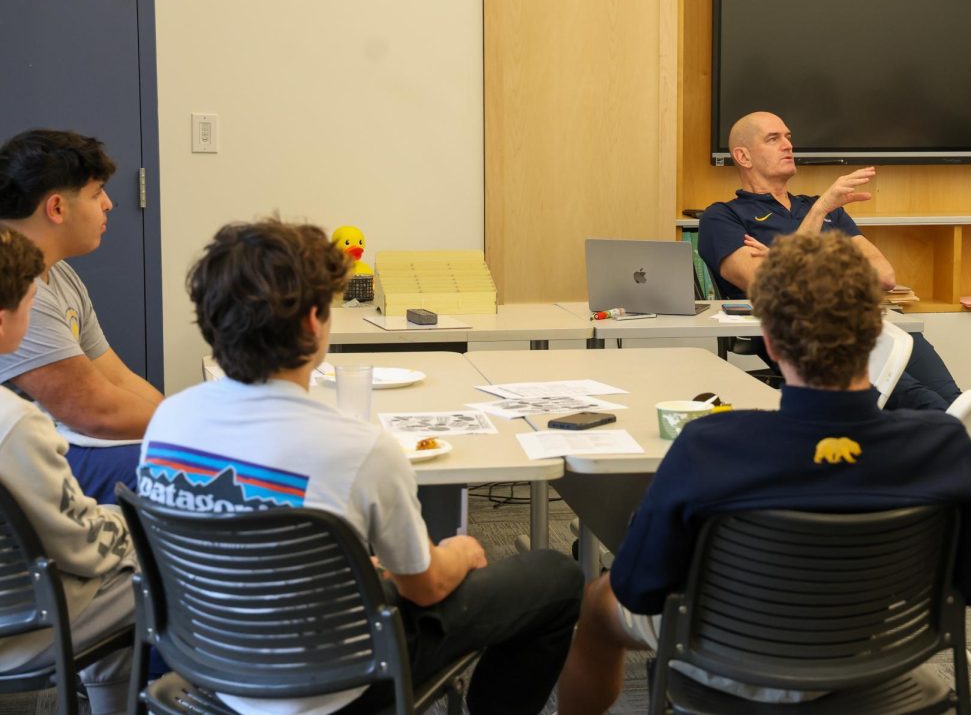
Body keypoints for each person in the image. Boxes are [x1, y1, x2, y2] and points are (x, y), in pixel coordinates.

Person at [558, 231, 971, 713]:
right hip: (875, 654)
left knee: (598, 603)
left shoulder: (709, 447)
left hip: (724, 661)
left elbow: (640, 587)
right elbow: (970, 584)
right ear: (877, 333)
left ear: (769, 341)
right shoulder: (943, 448)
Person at [138, 218, 583, 715]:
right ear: (313, 322)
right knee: (555, 578)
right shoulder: (359, 448)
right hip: (342, 684)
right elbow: (426, 586)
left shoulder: (167, 421)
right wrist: (460, 551)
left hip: (211, 668)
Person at [697, 111, 971, 587]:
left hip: (881, 326)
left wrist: (798, 245)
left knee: (960, 408)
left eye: (789, 136)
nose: (788, 144)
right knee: (936, 416)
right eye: (774, 138)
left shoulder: (828, 207)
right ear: (742, 155)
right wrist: (819, 220)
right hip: (812, 341)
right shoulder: (724, 217)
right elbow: (768, 283)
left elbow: (882, 276)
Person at [0, 228, 136, 715]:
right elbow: (80, 548)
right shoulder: (16, 424)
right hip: (22, 629)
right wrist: (132, 526)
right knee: (158, 566)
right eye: (30, 303)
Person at [0, 129, 163, 503]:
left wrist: (177, 420)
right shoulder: (22, 289)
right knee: (182, 472)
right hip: (25, 465)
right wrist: (190, 429)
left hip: (53, 444)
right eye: (96, 193)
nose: (108, 204)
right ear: (56, 208)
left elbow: (117, 378)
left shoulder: (58, 274)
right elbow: (94, 412)